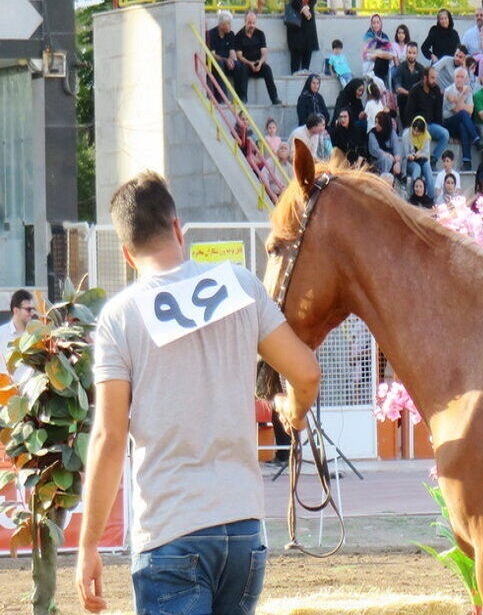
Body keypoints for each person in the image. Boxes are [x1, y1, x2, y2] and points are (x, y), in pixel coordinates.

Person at [76, 173, 320, 615]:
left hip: (171, 531)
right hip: (244, 529)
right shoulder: (242, 285)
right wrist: (293, 410)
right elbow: (306, 373)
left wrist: (89, 544)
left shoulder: (119, 317)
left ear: (127, 255)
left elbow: (109, 439)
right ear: (177, 228)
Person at [1, 289, 34, 385]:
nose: (31, 313)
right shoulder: (2, 334)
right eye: (28, 309)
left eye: (32, 309)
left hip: (32, 394)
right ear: (16, 310)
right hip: (7, 393)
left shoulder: (35, 334)